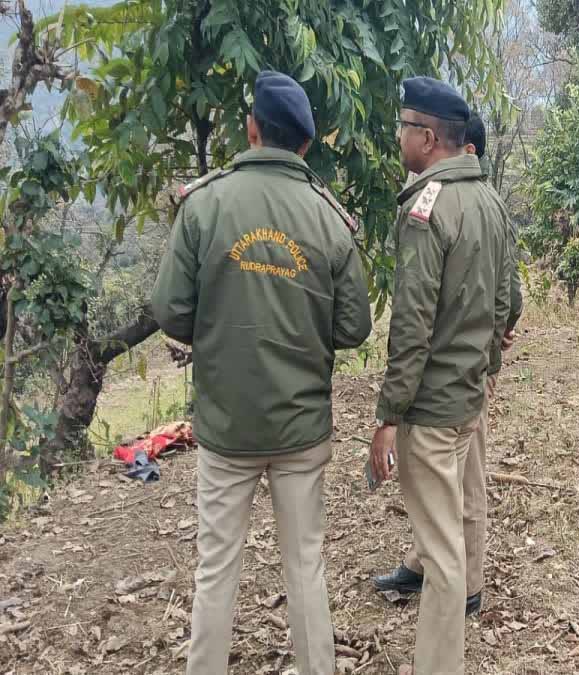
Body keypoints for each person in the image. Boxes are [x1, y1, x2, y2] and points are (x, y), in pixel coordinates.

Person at [150, 70, 372, 675]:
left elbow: (170, 310)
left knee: (216, 569)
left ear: (251, 128)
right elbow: (355, 327)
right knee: (304, 565)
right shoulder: (330, 220)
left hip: (226, 429)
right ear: (306, 144)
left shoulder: (204, 205)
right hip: (301, 429)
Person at [367, 76, 511, 675]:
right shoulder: (489, 201)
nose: (398, 137)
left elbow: (412, 326)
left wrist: (389, 415)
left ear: (427, 138)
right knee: (451, 528)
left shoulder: (426, 209)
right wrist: (488, 368)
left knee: (442, 554)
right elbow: (506, 303)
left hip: (431, 409)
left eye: (403, 127)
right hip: (467, 398)